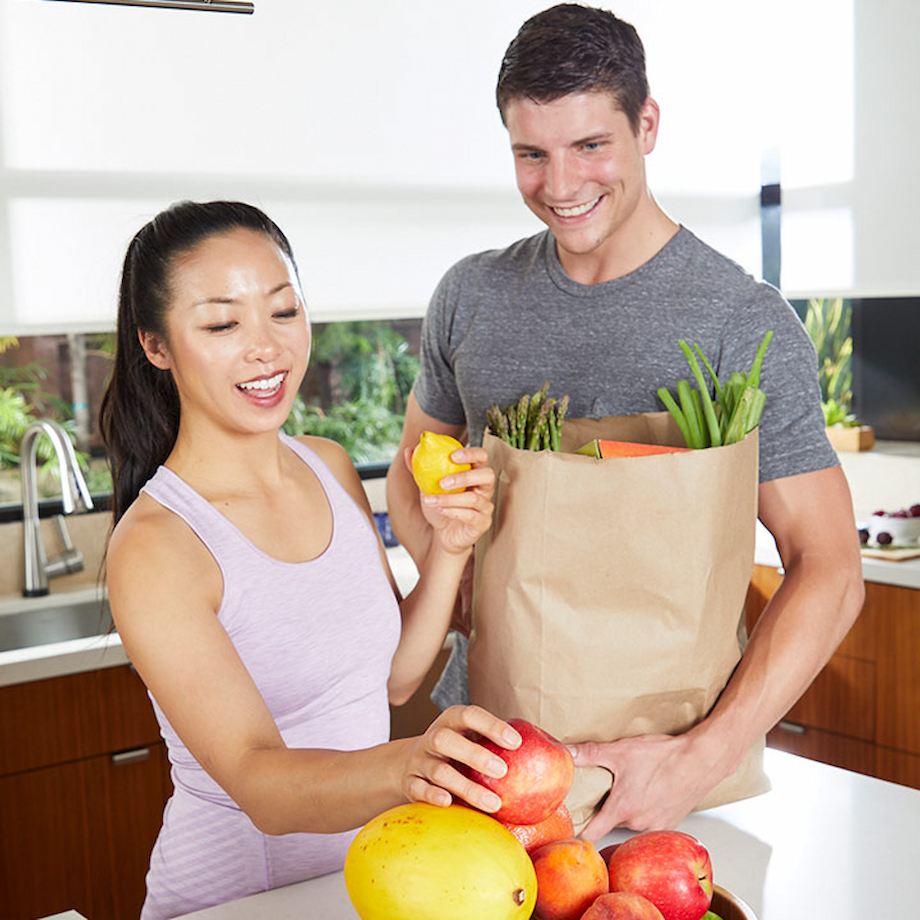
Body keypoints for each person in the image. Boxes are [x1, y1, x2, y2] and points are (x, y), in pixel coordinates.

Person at [386, 3, 865, 840]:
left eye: (590, 147)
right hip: (486, 767)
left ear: (647, 124)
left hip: (670, 791)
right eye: (530, 154)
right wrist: (451, 573)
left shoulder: (739, 323)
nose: (560, 186)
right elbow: (411, 470)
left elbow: (829, 567)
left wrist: (702, 757)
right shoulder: (470, 297)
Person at [99, 200, 515, 919]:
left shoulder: (328, 465)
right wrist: (411, 763)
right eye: (223, 323)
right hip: (233, 900)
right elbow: (261, 785)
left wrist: (450, 548)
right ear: (156, 345)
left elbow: (391, 680)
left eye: (283, 311)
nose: (267, 349)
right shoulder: (157, 547)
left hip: (367, 879)